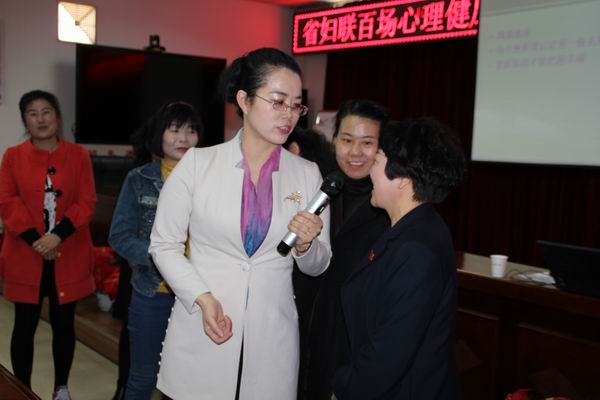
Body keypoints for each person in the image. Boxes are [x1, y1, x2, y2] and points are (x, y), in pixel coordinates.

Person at [148, 47, 332, 400]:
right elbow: (164, 245)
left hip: (272, 334)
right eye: (278, 102)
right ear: (245, 100)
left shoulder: (307, 173)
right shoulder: (198, 165)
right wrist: (201, 297)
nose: (288, 115)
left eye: (296, 105)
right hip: (205, 321)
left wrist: (307, 245)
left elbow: (318, 265)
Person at [332, 118, 465, 399]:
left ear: (403, 178)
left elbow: (389, 352)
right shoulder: (410, 229)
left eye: (377, 160)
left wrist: (343, 388)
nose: (370, 169)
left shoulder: (417, 248)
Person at [0, 90, 96, 400]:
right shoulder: (12, 156)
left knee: (64, 324)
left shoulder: (78, 155)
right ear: (24, 120)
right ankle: (22, 389)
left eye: (46, 112)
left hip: (69, 251)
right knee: (24, 324)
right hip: (24, 253)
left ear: (57, 116)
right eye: (33, 113)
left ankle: (61, 388)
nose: (40, 119)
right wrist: (38, 241)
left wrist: (58, 235)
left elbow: (86, 201)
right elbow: (7, 201)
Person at [108, 102, 203, 399]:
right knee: (143, 378)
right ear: (159, 135)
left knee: (186, 382)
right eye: (174, 130)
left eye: (191, 130)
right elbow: (120, 236)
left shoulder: (209, 178)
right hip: (153, 293)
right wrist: (163, 259)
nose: (183, 138)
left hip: (198, 296)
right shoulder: (140, 179)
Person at [298, 99, 390, 400]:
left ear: (382, 148)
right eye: (347, 140)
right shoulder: (316, 185)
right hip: (302, 325)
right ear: (334, 139)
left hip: (352, 338)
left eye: (367, 143)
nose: (355, 152)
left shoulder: (389, 205)